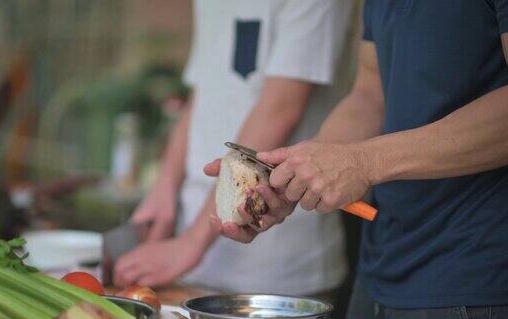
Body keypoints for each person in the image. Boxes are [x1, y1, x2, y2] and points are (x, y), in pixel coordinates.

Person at [207, 0, 508, 319]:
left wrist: (365, 161)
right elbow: (370, 95)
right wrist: (302, 169)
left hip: (474, 277)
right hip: (380, 267)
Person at [113, 0, 358, 299]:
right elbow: (203, 94)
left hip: (277, 269)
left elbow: (280, 108)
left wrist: (192, 242)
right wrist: (164, 186)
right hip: (190, 262)